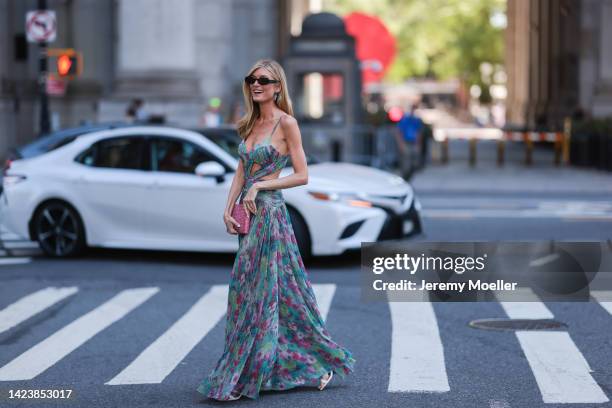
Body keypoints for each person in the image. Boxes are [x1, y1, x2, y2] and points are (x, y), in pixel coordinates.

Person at [195, 59, 356, 401]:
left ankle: (264, 370)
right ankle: (263, 365)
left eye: (264, 80)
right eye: (252, 79)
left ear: (278, 86)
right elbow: (240, 170)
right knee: (245, 292)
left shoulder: (287, 124)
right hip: (248, 219)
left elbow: (302, 174)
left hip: (270, 218)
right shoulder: (250, 123)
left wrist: (261, 186)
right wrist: (228, 206)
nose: (256, 85)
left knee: (267, 294)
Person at [394, 104, 423, 179]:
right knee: (406, 161)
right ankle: (405, 177)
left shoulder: (416, 120)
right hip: (406, 142)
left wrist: (418, 144)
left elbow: (418, 133)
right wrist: (401, 144)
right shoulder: (405, 120)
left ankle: (409, 176)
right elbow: (399, 132)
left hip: (413, 143)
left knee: (414, 161)